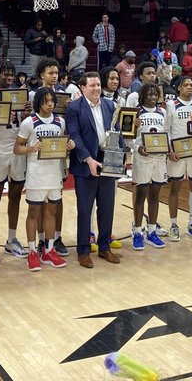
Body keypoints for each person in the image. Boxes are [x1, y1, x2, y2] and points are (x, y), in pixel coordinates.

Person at [66, 72, 122, 268]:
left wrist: (120, 156)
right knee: (85, 209)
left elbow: (117, 132)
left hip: (107, 163)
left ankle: (105, 247)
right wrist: (89, 159)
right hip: (85, 164)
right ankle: (83, 250)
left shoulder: (110, 105)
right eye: (92, 86)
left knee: (107, 207)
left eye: (98, 85)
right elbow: (75, 135)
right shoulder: (74, 108)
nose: (97, 88)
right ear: (83, 88)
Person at [15, 87, 74, 270]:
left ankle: (48, 250)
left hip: (54, 173)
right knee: (33, 213)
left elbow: (61, 146)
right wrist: (31, 148)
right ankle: (32, 251)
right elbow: (17, 148)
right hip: (36, 173)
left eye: (52, 101)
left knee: (51, 212)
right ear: (38, 102)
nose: (49, 104)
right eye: (45, 101)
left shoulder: (60, 122)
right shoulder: (29, 122)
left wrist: (69, 146)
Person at [0, 60, 29, 260]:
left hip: (17, 150)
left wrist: (28, 114)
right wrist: (1, 117)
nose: (9, 77)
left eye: (12, 74)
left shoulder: (20, 97)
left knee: (15, 195)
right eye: (5, 73)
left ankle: (11, 239)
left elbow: (25, 125)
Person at [163, 76, 192, 242]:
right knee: (175, 187)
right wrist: (169, 150)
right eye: (186, 85)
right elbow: (166, 129)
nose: (189, 87)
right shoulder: (171, 105)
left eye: (191, 85)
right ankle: (174, 225)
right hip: (178, 153)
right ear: (179, 88)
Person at [129, 83, 169, 250]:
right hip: (142, 158)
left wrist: (167, 149)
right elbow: (127, 136)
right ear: (143, 95)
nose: (153, 97)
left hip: (159, 159)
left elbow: (167, 133)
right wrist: (137, 147)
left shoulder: (163, 112)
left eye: (155, 95)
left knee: (155, 196)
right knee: (140, 196)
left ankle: (152, 231)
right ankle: (137, 232)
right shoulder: (136, 112)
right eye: (149, 94)